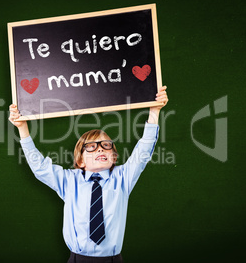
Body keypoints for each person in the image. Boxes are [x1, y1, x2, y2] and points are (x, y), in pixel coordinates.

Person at [9, 86, 168, 262]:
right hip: (78, 259)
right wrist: (22, 128)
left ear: (113, 157)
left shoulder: (122, 177)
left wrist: (154, 110)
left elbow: (143, 150)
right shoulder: (69, 180)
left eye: (106, 145)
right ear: (80, 161)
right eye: (91, 147)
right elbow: (39, 166)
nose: (100, 148)